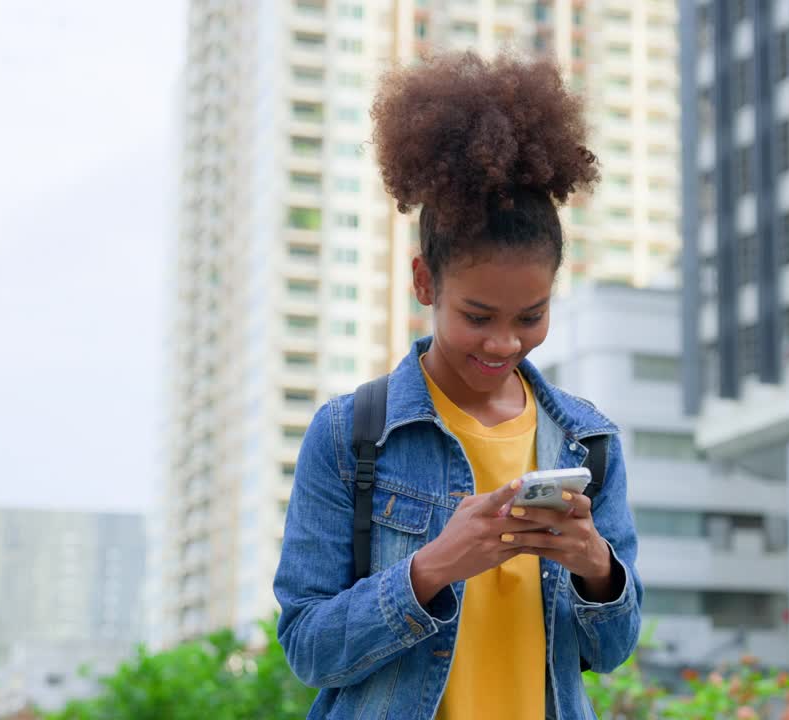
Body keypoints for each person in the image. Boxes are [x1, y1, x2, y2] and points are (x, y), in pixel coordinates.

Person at [273, 52, 642, 720]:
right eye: (478, 317)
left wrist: (596, 564)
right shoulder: (352, 435)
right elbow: (306, 649)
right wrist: (431, 569)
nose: (504, 343)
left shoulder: (588, 441)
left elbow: (612, 651)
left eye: (531, 317)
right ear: (424, 284)